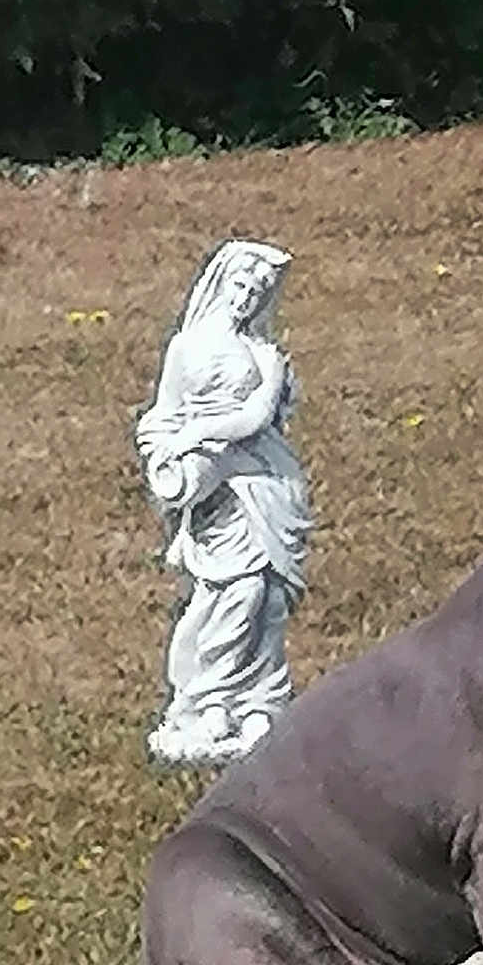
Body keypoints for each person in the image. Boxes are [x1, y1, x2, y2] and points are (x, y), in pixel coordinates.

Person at [136, 240, 312, 766]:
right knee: (229, 591)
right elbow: (161, 419)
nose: (246, 299)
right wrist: (172, 455)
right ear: (220, 284)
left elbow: (259, 417)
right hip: (218, 488)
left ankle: (260, 703)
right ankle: (207, 700)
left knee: (270, 597)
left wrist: (197, 434)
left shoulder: (265, 354)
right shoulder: (187, 348)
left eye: (257, 293)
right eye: (240, 286)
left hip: (267, 481)